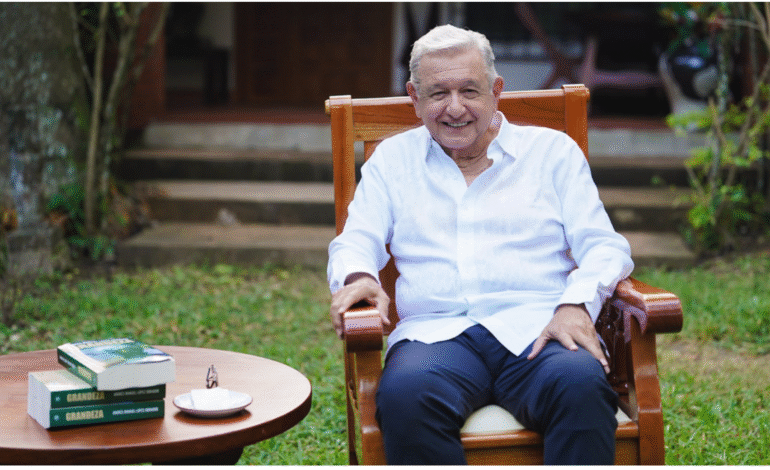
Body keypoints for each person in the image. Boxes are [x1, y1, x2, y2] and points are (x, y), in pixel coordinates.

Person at [327, 24, 634, 465]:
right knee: (406, 395)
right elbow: (356, 239)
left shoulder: (552, 153)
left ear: (496, 91)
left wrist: (576, 306)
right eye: (438, 93)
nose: (455, 108)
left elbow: (604, 247)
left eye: (469, 91)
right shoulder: (392, 161)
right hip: (435, 338)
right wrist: (359, 277)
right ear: (414, 97)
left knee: (580, 385)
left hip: (539, 329)